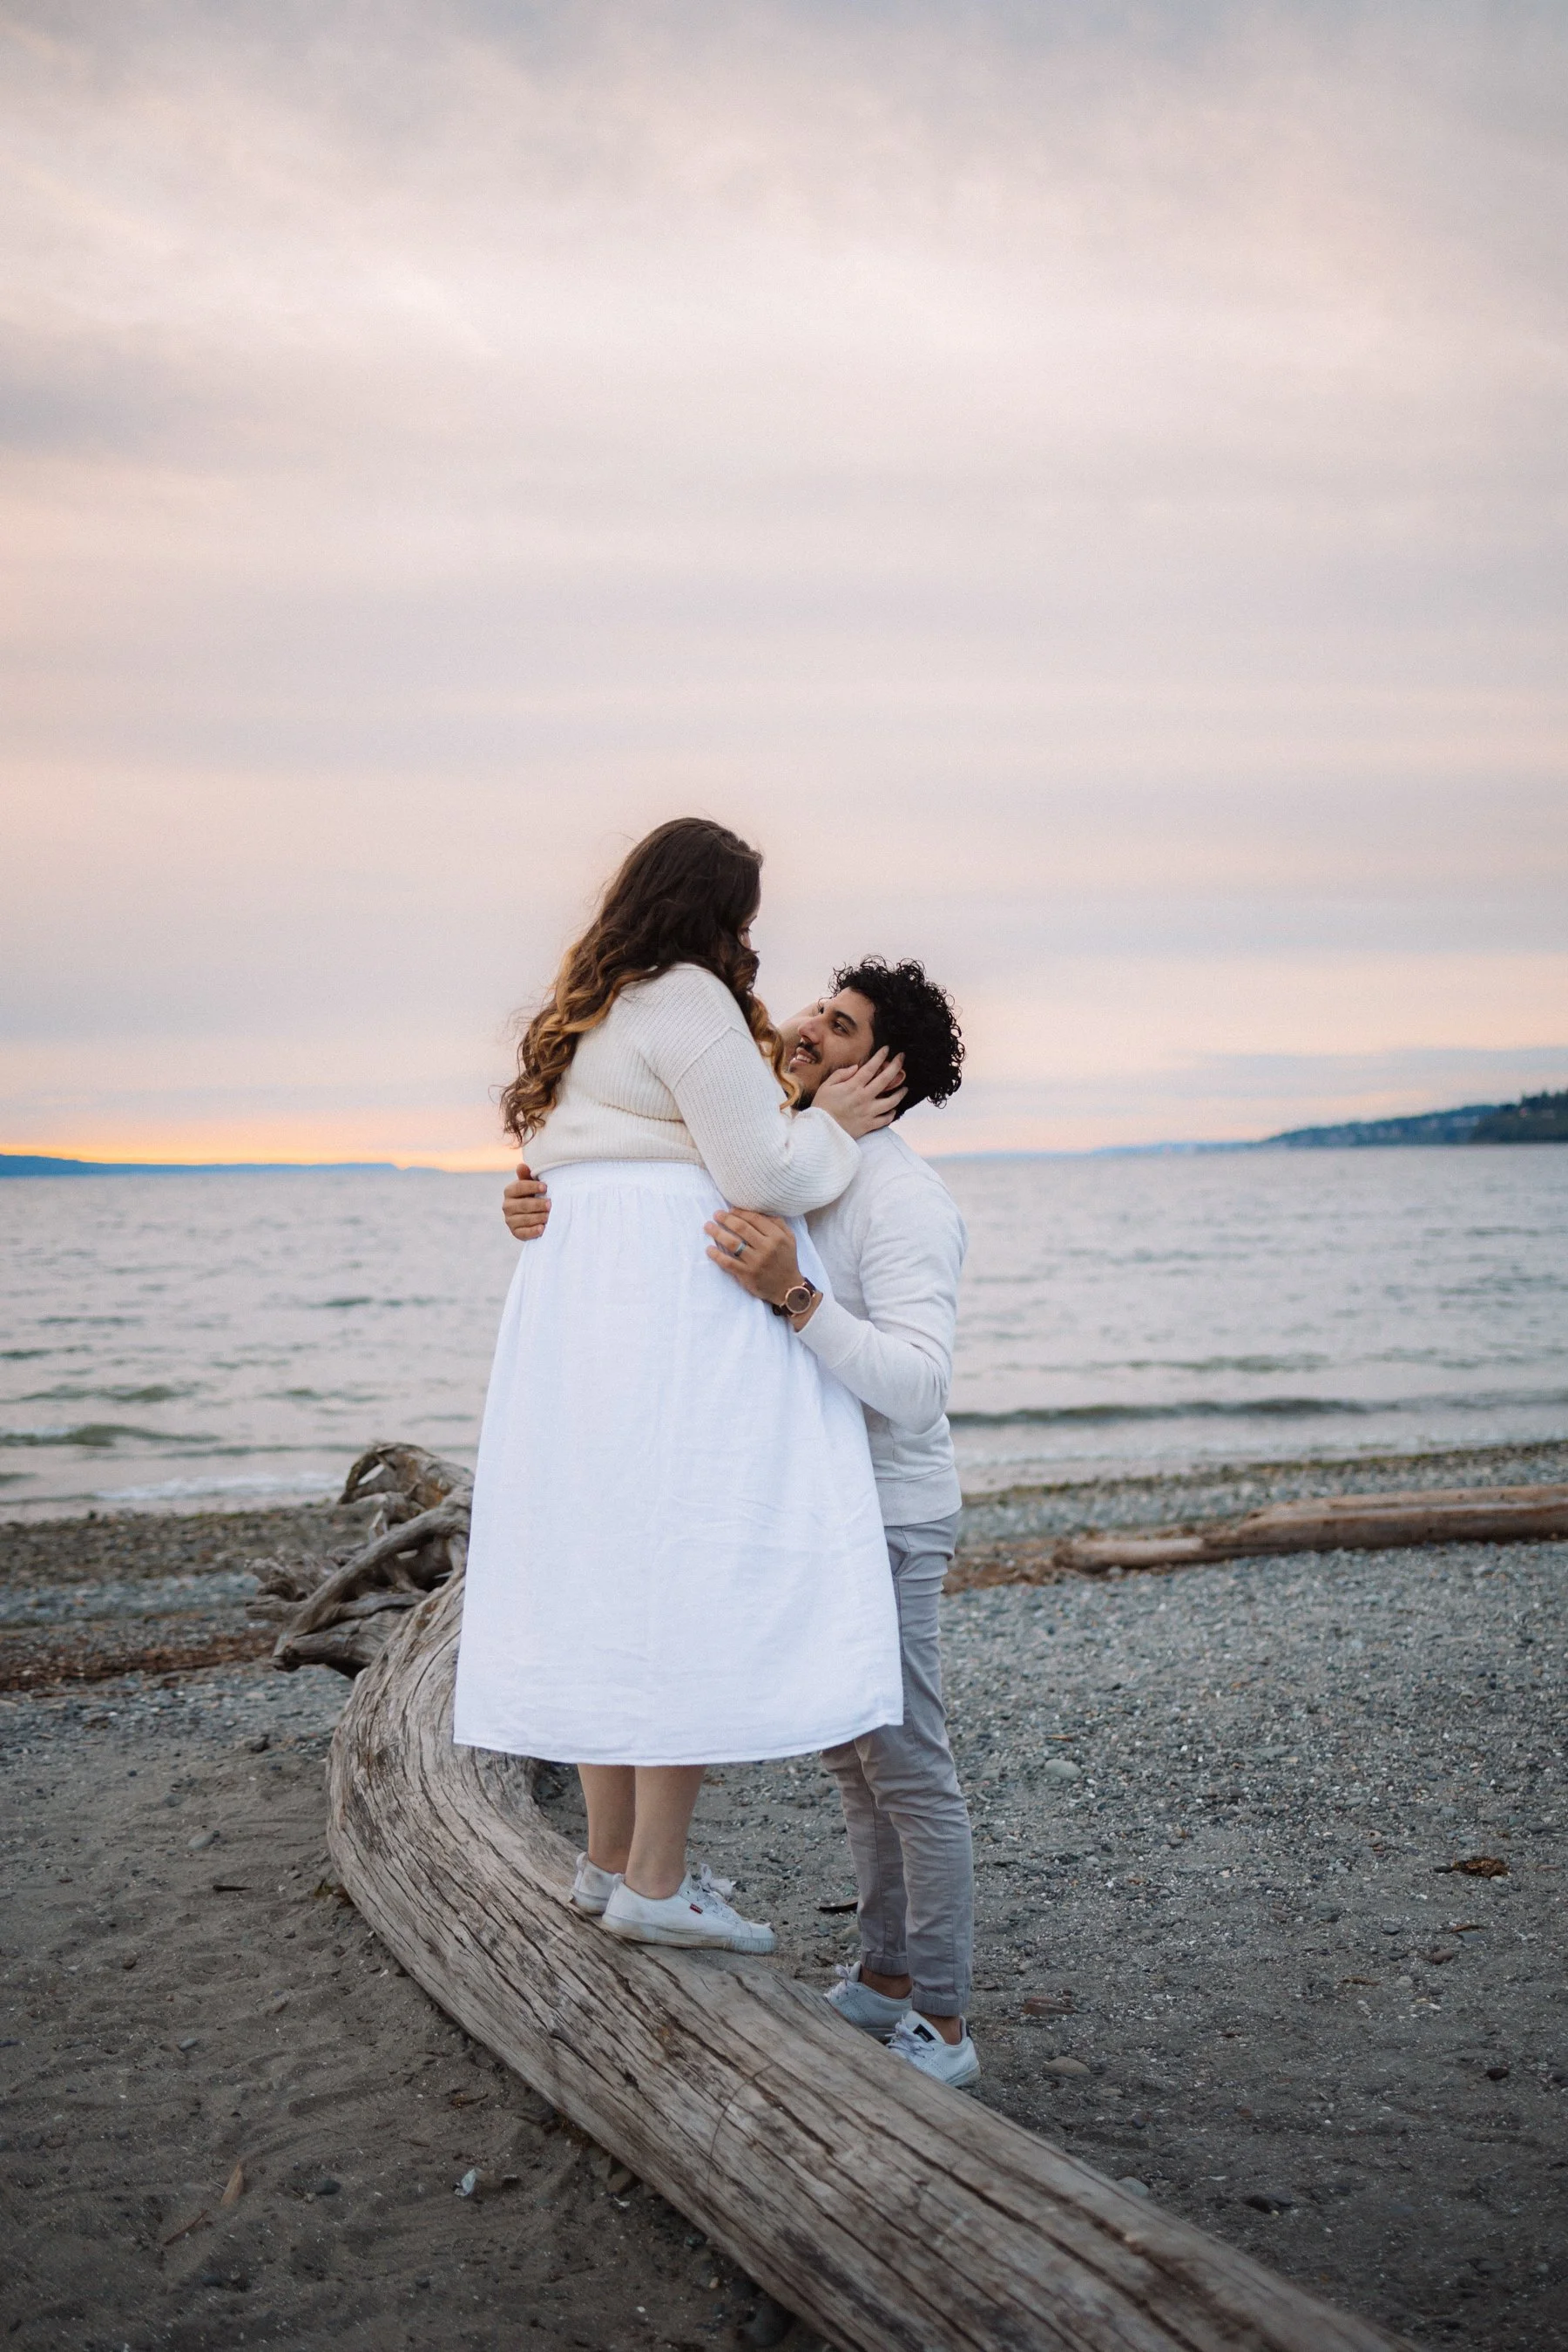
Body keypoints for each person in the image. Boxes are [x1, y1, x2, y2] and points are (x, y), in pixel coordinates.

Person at [504, 957, 978, 2085]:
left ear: (886, 1071)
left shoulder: (901, 1197)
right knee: (852, 1761)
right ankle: (881, 1977)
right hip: (808, 1510)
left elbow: (917, 1386)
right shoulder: (773, 1154)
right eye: (818, 1005)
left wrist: (796, 1296)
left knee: (908, 1766)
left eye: (842, 1024)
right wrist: (537, 1206)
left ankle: (947, 2023)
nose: (808, 1025)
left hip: (892, 1514)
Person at [454, 819, 909, 1963]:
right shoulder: (687, 994)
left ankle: (611, 1864)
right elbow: (758, 1171)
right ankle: (655, 1878)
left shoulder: (588, 1008)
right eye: (741, 918)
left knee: (611, 1564)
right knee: (688, 1565)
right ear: (710, 912)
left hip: (578, 1308)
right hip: (674, 1299)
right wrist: (838, 1128)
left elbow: (567, 1162)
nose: (747, 941)